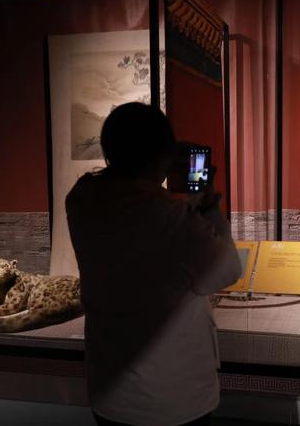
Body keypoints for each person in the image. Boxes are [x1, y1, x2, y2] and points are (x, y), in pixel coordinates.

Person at [66, 102, 242, 426]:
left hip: (110, 392)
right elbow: (226, 271)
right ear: (164, 154)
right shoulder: (170, 219)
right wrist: (206, 202)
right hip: (174, 399)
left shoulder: (80, 199)